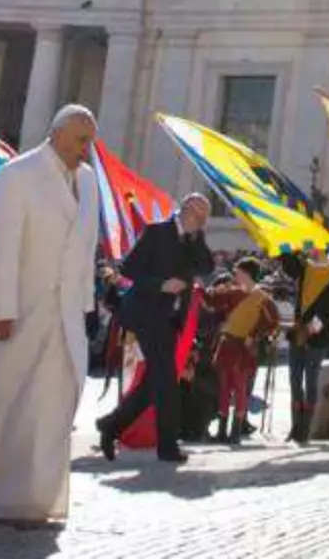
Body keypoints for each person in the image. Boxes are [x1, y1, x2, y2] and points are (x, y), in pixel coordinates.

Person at [0, 107, 102, 523]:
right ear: (56, 135)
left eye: (89, 141)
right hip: (19, 310)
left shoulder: (89, 182)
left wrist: (86, 302)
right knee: (4, 405)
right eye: (79, 140)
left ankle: (38, 495)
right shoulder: (17, 175)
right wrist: (0, 308)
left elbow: (86, 246)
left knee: (53, 406)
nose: (84, 149)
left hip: (65, 312)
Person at [97, 193, 215, 463]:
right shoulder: (156, 231)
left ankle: (112, 424)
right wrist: (161, 284)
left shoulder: (194, 239)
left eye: (205, 217)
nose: (202, 221)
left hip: (171, 317)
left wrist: (198, 237)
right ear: (186, 210)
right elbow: (130, 268)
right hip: (146, 312)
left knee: (156, 381)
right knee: (165, 380)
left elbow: (207, 266)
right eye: (199, 215)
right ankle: (167, 446)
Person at [277, 248, 329, 444]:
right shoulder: (305, 268)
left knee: (311, 381)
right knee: (294, 379)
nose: (313, 251)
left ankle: (305, 429)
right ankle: (295, 427)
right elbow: (289, 264)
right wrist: (286, 246)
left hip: (319, 334)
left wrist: (318, 324)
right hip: (298, 332)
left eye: (317, 247)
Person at [207, 257, 279, 444]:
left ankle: (235, 432)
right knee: (224, 389)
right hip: (227, 344)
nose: (235, 275)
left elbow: (273, 321)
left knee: (240, 389)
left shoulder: (262, 297)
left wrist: (254, 335)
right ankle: (222, 432)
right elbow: (212, 302)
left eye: (238, 272)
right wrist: (204, 290)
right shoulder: (232, 292)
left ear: (246, 274)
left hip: (244, 348)